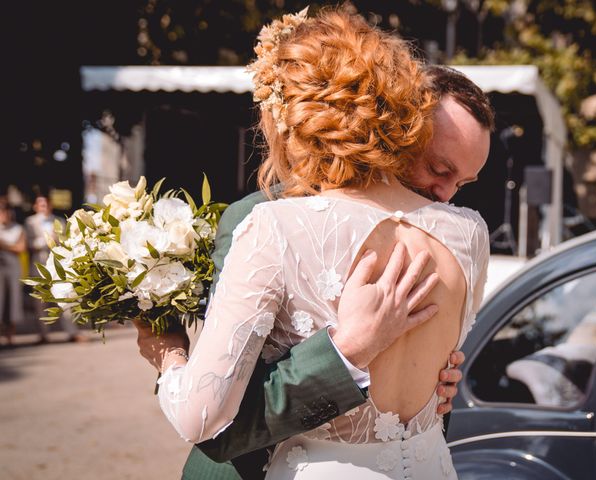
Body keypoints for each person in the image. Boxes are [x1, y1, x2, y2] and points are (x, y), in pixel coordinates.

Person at [137, 8, 491, 479]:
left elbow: (205, 416)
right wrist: (351, 355)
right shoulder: (470, 232)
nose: (444, 195)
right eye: (439, 169)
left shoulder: (274, 228)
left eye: (461, 183)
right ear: (406, 127)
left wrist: (168, 356)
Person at [25, 195, 86, 343]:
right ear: (36, 207)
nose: (44, 207)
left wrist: (56, 241)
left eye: (46, 204)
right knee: (40, 301)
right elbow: (28, 243)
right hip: (38, 263)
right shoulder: (30, 222)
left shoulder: (59, 220)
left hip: (58, 263)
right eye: (41, 205)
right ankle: (43, 334)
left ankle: (72, 332)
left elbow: (67, 241)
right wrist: (46, 240)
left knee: (64, 297)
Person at [0, 201, 27, 347]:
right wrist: (12, 246)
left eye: (6, 211)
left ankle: (10, 337)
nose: (5, 215)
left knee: (13, 301)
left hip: (13, 268)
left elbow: (21, 247)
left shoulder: (18, 228)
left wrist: (3, 245)